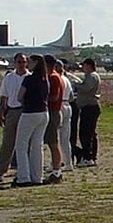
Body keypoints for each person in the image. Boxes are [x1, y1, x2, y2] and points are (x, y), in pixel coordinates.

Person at [0, 53, 28, 184]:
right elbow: (3, 96)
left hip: (25, 112)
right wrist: (1, 113)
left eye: (23, 62)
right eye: (19, 62)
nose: (22, 64)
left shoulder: (29, 77)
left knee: (24, 144)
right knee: (8, 143)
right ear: (14, 63)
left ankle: (23, 171)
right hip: (12, 111)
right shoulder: (9, 78)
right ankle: (0, 172)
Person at [14, 55, 50, 186]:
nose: (27, 64)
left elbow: (19, 96)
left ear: (35, 63)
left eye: (29, 62)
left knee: (21, 145)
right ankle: (37, 176)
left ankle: (23, 177)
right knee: (37, 145)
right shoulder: (45, 79)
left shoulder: (28, 79)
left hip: (30, 113)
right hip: (43, 113)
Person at [43, 54, 66, 182]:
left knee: (53, 142)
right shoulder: (52, 76)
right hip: (52, 111)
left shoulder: (53, 77)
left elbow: (54, 96)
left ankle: (57, 171)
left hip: (53, 112)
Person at [74, 58, 101, 166]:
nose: (82, 68)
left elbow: (86, 88)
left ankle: (88, 157)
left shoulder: (92, 76)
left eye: (84, 66)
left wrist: (76, 84)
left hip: (89, 107)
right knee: (90, 133)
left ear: (88, 65)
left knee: (85, 133)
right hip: (90, 107)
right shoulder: (92, 76)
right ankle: (91, 157)